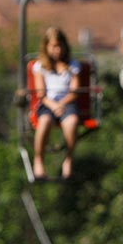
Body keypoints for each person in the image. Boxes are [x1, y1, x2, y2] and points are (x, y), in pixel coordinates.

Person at [31, 27, 82, 179]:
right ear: (46, 47)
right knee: (45, 121)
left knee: (72, 122)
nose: (57, 50)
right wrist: (53, 105)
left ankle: (68, 159)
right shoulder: (40, 67)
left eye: (60, 46)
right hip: (48, 104)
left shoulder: (72, 66)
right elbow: (41, 94)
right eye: (54, 46)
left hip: (67, 104)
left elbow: (74, 91)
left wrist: (62, 104)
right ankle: (39, 159)